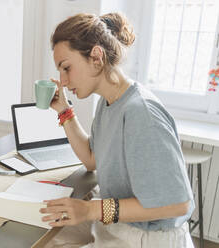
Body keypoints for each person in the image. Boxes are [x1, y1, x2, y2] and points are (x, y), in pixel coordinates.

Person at [39, 13, 195, 248]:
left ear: (96, 57)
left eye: (67, 68)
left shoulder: (141, 114)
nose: (62, 80)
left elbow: (177, 204)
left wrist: (90, 209)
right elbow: (92, 159)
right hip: (120, 231)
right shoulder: (109, 101)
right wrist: (63, 110)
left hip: (149, 240)